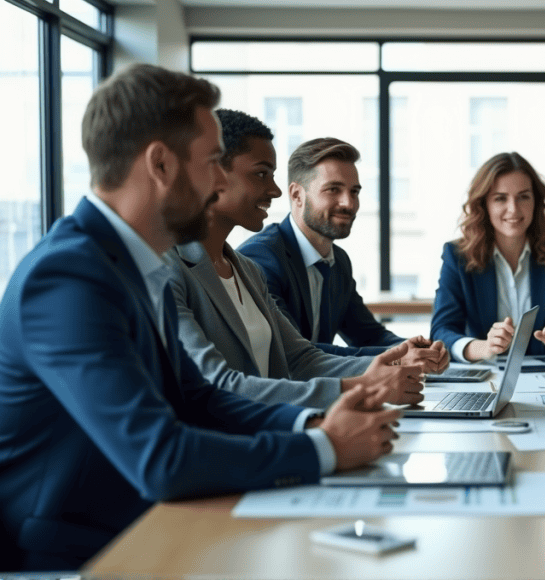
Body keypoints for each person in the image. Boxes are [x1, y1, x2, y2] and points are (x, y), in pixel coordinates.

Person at [0, 64, 400, 571]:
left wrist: (314, 421)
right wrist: (321, 448)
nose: (218, 181)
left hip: (153, 522)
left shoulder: (140, 262)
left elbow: (201, 399)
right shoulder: (68, 278)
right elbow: (160, 458)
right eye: (212, 161)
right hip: (77, 550)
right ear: (161, 164)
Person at [169, 109, 431, 409]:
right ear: (212, 172)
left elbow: (300, 359)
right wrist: (361, 387)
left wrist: (391, 363)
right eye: (261, 173)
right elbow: (216, 384)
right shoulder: (166, 269)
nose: (275, 189)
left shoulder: (246, 270)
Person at [237, 138, 448, 371]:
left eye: (354, 191)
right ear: (297, 195)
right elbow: (296, 353)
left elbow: (367, 335)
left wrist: (416, 350)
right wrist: (398, 357)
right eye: (333, 190)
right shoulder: (260, 260)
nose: (348, 203)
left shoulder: (338, 261)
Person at [430, 152, 545, 362]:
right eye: (500, 198)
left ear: (536, 201)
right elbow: (441, 332)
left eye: (523, 197)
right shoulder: (458, 256)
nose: (514, 209)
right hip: (486, 374)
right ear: (484, 205)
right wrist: (483, 347)